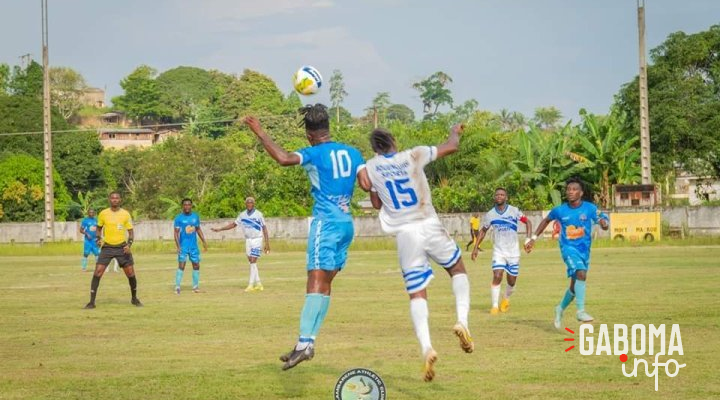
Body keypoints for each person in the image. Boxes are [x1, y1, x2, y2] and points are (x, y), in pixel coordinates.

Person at [243, 104, 371, 371]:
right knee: (324, 284)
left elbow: (283, 158)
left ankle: (304, 344)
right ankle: (307, 342)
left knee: (314, 280)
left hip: (325, 224)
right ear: (328, 128)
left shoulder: (313, 153)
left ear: (309, 135)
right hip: (347, 225)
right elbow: (367, 185)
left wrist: (260, 132)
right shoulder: (353, 152)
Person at [366, 126, 472, 382]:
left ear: (375, 149)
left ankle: (427, 347)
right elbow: (452, 146)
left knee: (417, 292)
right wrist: (455, 132)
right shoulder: (414, 154)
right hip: (428, 223)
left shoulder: (370, 167)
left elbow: (377, 204)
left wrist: (373, 188)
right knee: (457, 269)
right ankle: (462, 321)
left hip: (405, 234)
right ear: (393, 140)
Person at [525, 177, 609, 328]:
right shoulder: (560, 210)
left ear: (581, 193)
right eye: (568, 189)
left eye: (574, 189)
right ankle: (580, 311)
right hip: (568, 249)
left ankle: (559, 309)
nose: (570, 192)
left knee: (575, 285)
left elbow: (603, 220)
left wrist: (604, 223)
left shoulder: (589, 208)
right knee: (581, 273)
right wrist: (533, 238)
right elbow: (546, 221)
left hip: (584, 251)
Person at [470, 188, 532, 315]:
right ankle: (494, 306)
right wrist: (476, 247)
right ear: (494, 197)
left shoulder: (514, 211)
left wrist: (527, 240)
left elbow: (528, 222)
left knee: (511, 281)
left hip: (513, 252)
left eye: (502, 194)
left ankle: (506, 299)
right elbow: (483, 231)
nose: (499, 196)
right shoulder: (490, 214)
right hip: (499, 251)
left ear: (506, 197)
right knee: (497, 275)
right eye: (497, 194)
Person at [84, 192, 142, 309]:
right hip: (107, 248)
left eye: (117, 198)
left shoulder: (125, 214)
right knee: (97, 272)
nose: (114, 200)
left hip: (122, 248)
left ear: (120, 200)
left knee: (130, 273)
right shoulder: (103, 214)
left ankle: (134, 298)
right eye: (112, 198)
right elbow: (99, 229)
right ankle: (91, 302)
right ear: (109, 200)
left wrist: (129, 245)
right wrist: (98, 239)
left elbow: (130, 232)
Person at [212, 197, 269, 292]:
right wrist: (220, 229)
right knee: (251, 262)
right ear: (245, 204)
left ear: (254, 204)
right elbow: (233, 224)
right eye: (248, 203)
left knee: (253, 260)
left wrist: (267, 243)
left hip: (257, 239)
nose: (249, 204)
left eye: (251, 203)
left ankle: (251, 285)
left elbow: (264, 228)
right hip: (248, 240)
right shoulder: (242, 215)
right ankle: (258, 283)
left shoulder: (259, 214)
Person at [173, 198, 208, 294]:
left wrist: (204, 241)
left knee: (196, 265)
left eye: (189, 204)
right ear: (182, 206)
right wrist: (178, 246)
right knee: (181, 266)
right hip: (183, 246)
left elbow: (198, 229)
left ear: (191, 206)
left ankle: (195, 287)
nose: (187, 206)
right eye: (185, 205)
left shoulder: (195, 217)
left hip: (194, 247)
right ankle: (177, 287)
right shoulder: (178, 218)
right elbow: (175, 233)